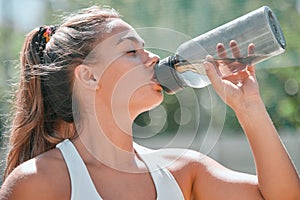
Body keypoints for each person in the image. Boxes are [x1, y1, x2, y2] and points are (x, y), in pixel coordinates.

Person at [0, 5, 299, 200]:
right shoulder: (41, 183)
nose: (153, 57)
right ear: (89, 77)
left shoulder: (183, 171)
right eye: (131, 51)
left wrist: (250, 108)